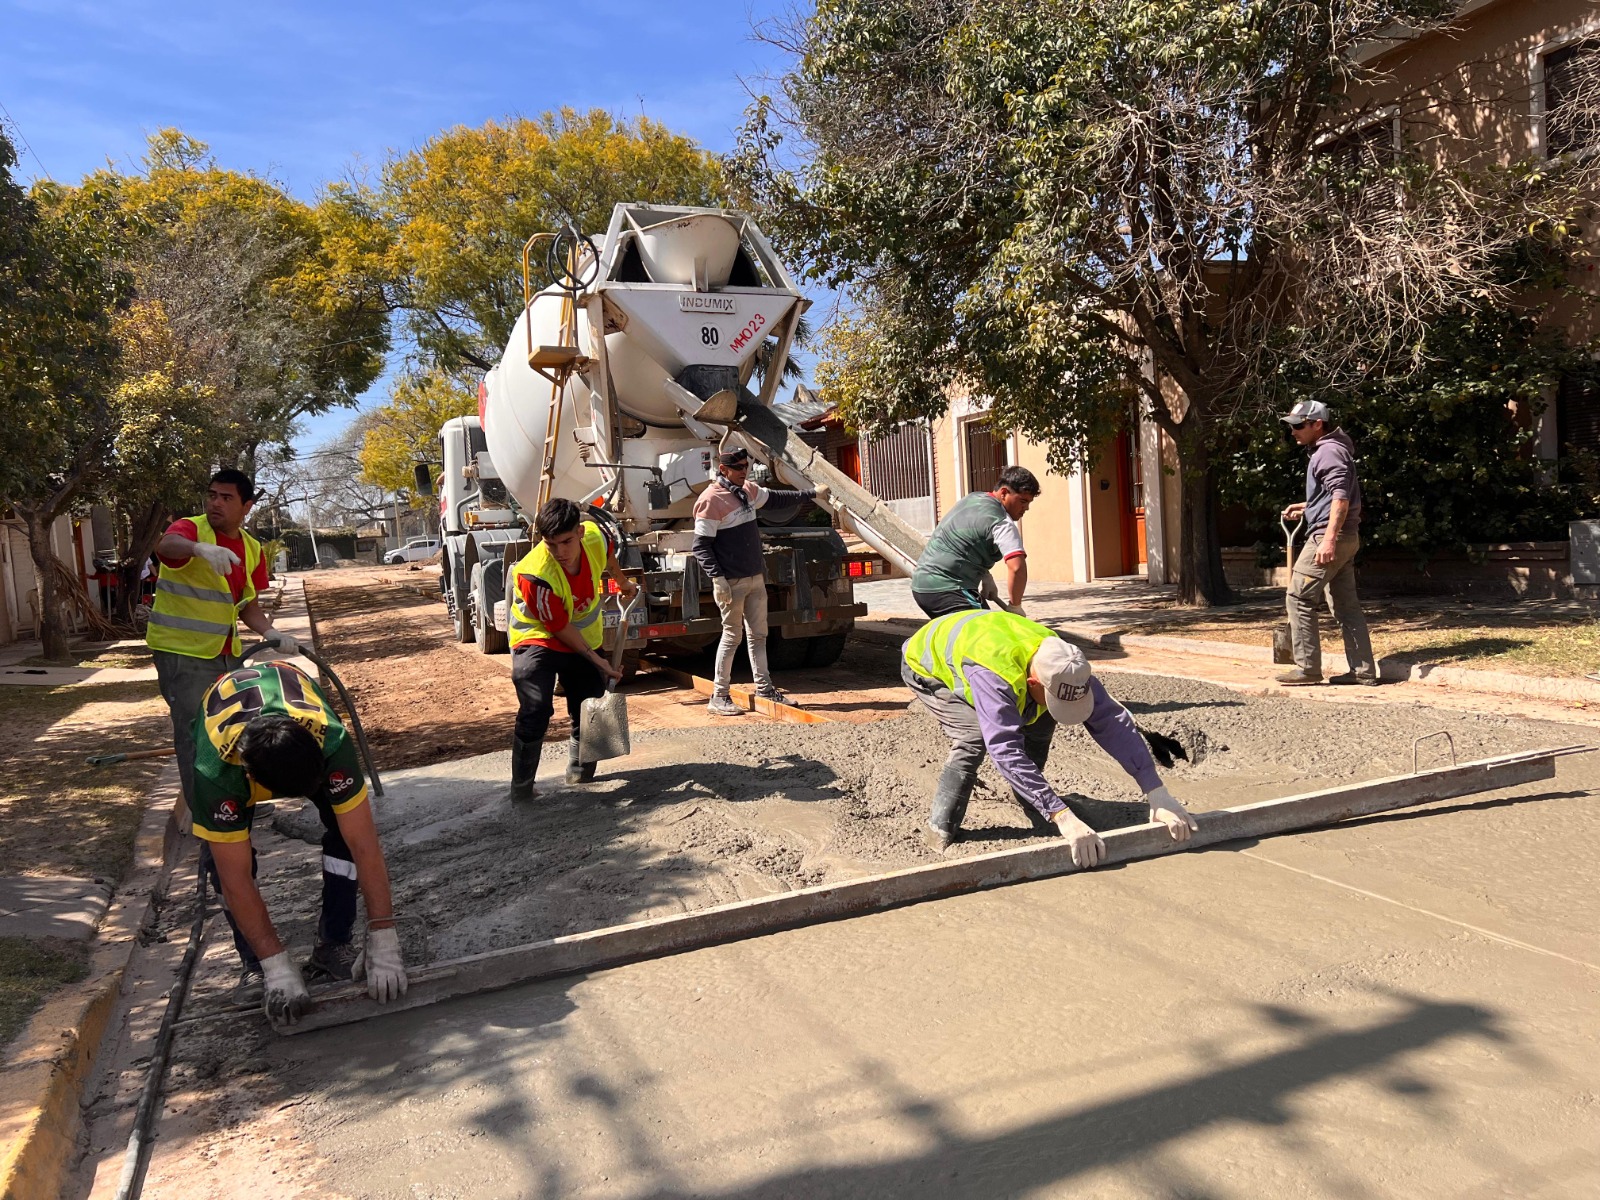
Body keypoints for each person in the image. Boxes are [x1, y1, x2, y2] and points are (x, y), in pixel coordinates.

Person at [189, 660, 406, 1023]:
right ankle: (258, 965)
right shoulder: (216, 772)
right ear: (251, 778)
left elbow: (364, 845)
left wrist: (384, 937)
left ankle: (334, 943)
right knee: (220, 864)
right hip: (228, 736)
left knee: (343, 834)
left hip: (293, 709)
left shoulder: (331, 740)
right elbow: (236, 878)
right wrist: (276, 964)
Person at [902, 609, 1198, 859]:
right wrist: (1063, 816)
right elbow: (1004, 748)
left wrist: (1156, 792)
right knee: (975, 737)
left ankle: (1029, 798)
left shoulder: (1065, 664)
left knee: (1043, 716)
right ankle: (940, 830)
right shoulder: (994, 677)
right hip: (928, 662)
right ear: (1032, 682)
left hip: (990, 639)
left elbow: (1112, 720)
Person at [148, 469, 299, 814]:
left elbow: (249, 607)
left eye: (226, 497)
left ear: (246, 506)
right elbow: (165, 546)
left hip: (225, 654)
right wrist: (198, 549)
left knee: (236, 728)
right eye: (212, 495)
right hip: (181, 653)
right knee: (194, 736)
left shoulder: (251, 548)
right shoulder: (190, 529)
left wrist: (270, 633)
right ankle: (208, 814)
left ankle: (239, 801)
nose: (215, 503)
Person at [507, 498, 637, 798]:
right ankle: (522, 787)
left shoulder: (593, 536)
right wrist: (600, 662)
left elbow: (607, 554)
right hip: (538, 637)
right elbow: (558, 627)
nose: (560, 552)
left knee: (590, 705)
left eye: (566, 542)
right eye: (551, 544)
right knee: (536, 706)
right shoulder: (534, 574)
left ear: (579, 532)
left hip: (581, 636)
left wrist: (622, 582)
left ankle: (580, 774)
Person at [692, 447, 829, 716]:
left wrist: (812, 494)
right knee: (732, 637)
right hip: (731, 582)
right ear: (723, 470)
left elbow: (777, 499)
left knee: (759, 635)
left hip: (755, 577)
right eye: (739, 467)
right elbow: (700, 546)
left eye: (746, 466)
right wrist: (717, 579)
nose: (745, 471)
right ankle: (719, 696)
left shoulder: (748, 492)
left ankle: (765, 688)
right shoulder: (710, 500)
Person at [1276, 400, 1378, 686]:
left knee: (1298, 597)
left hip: (1328, 537)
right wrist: (1308, 506)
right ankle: (1363, 671)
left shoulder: (1329, 452)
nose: (1293, 431)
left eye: (1298, 426)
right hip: (1346, 537)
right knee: (1346, 607)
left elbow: (1341, 498)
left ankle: (1307, 668)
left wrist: (1329, 539)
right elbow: (1333, 495)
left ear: (1317, 424)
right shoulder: (1332, 450)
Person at [910, 465, 1040, 618]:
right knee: (987, 636)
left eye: (1029, 503)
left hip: (921, 585)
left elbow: (966, 542)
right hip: (948, 589)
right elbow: (1017, 568)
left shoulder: (973, 499)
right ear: (1004, 493)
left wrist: (985, 576)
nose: (1026, 508)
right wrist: (1015, 606)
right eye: (1023, 501)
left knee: (967, 634)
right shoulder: (1002, 522)